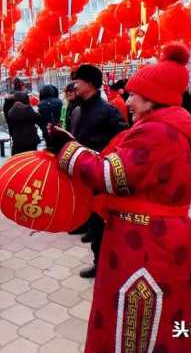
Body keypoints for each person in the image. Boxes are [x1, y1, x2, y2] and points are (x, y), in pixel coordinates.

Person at [49, 43, 191, 353]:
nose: (129, 101)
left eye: (135, 95)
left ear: (152, 100)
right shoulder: (162, 128)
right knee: (172, 306)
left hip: (146, 240)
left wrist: (67, 151)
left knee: (137, 315)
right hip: (157, 233)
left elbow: (111, 176)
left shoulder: (156, 133)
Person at [68, 64, 128, 278]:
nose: (74, 84)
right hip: (83, 175)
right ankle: (99, 261)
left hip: (101, 178)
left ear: (91, 84)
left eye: (79, 80)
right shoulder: (76, 109)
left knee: (103, 223)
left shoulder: (108, 111)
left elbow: (123, 141)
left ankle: (106, 264)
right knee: (93, 222)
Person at [6, 91, 41, 155]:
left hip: (17, 141)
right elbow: (38, 119)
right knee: (30, 160)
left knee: (19, 160)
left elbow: (10, 125)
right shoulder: (28, 109)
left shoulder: (11, 112)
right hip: (30, 140)